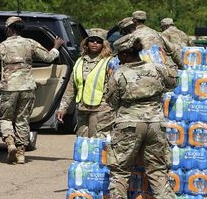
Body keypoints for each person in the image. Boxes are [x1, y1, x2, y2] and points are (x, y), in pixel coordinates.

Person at [105, 34, 178, 199]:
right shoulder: (157, 68)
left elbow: (111, 102)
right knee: (158, 170)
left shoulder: (119, 74)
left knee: (120, 171)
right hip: (155, 124)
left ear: (124, 54)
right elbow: (173, 82)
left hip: (128, 124)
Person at [0, 16, 64, 164]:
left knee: (6, 118)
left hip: (8, 88)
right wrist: (56, 47)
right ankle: (21, 153)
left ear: (9, 29)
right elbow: (48, 58)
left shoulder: (1, 47)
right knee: (22, 119)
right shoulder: (30, 43)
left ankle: (10, 143)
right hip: (27, 87)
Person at [56, 28, 115, 138]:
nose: (95, 43)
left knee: (97, 141)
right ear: (86, 43)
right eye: (92, 40)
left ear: (104, 44)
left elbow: (115, 87)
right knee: (82, 141)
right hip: (82, 108)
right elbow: (71, 87)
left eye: (98, 41)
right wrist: (63, 108)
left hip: (101, 109)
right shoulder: (80, 61)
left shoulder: (110, 62)